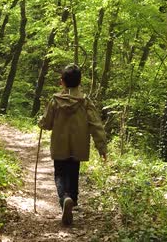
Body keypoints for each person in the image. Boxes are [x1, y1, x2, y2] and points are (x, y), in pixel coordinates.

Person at [38, 64, 107, 226]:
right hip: (78, 146)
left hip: (59, 146)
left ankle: (64, 198)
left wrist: (41, 122)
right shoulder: (85, 102)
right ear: (79, 82)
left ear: (62, 81)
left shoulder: (55, 101)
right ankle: (72, 199)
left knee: (60, 174)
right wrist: (101, 147)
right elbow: (96, 125)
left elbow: (47, 123)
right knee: (73, 173)